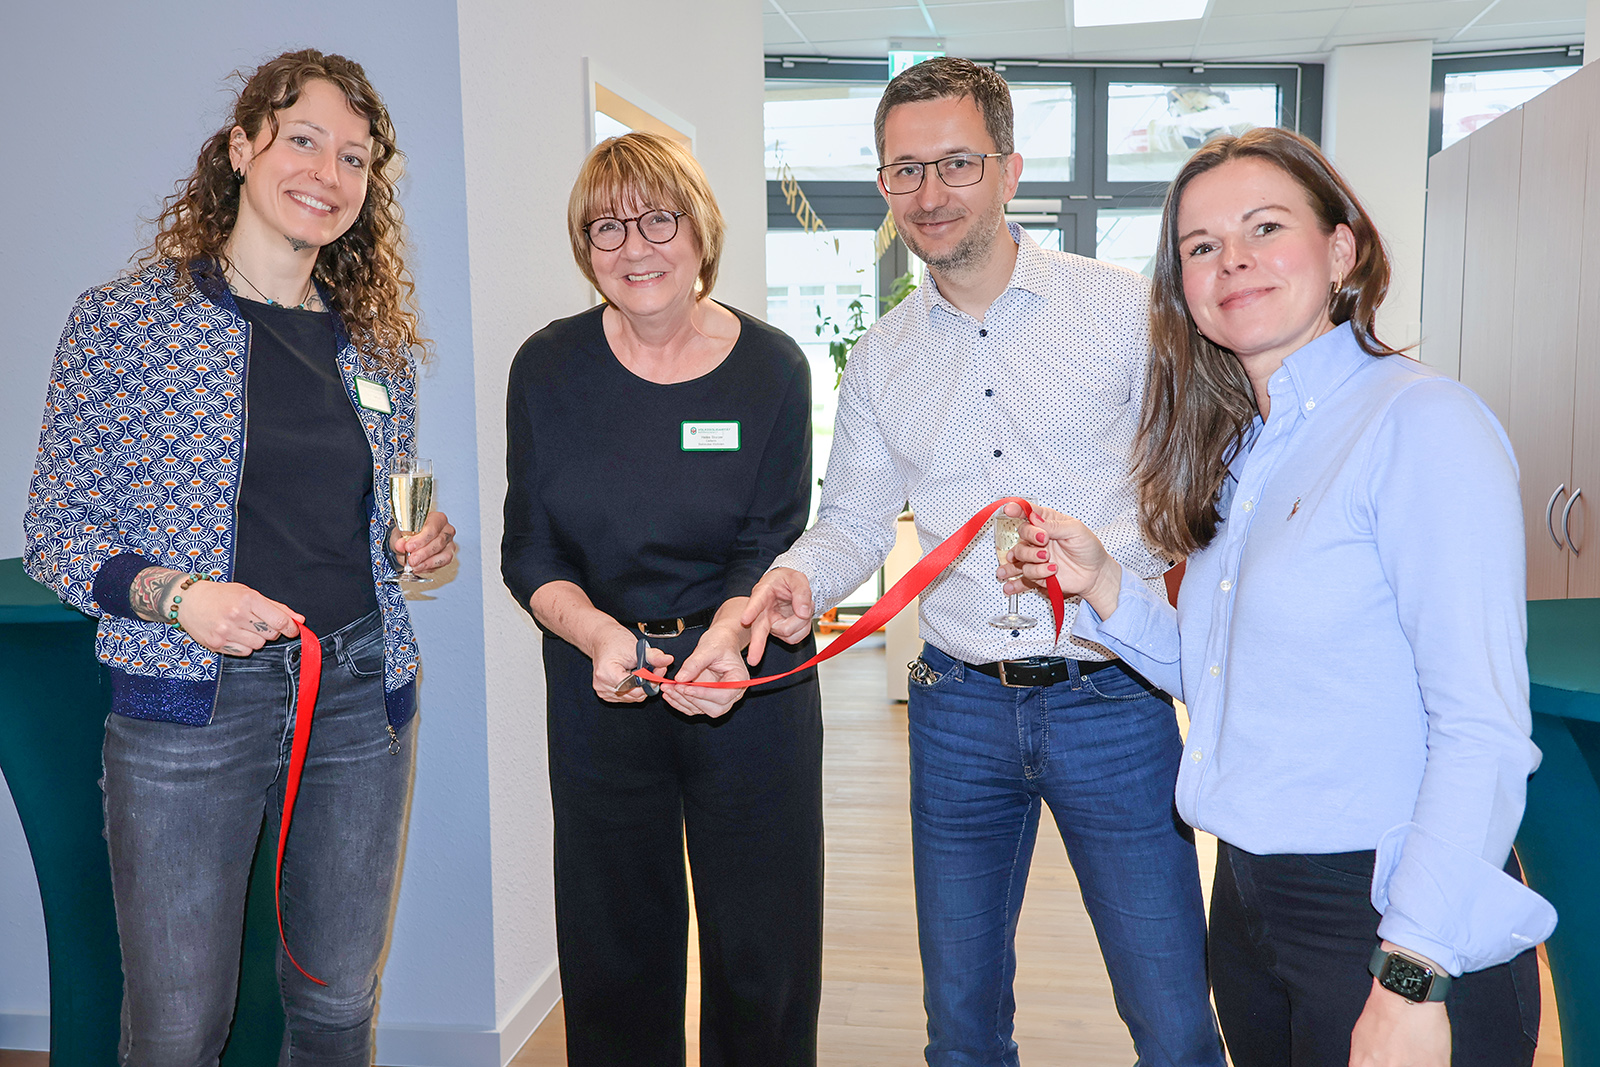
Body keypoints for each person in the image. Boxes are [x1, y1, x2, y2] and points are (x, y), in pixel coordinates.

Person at [1001, 127, 1556, 1066]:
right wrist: (1102, 582)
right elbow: (1222, 677)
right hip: (1252, 896)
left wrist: (1412, 969)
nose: (1235, 261)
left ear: (1342, 250)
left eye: (1265, 227)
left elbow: (1483, 729)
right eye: (1202, 246)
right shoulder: (1247, 450)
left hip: (1386, 909)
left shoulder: (1420, 424)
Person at [743, 58, 1222, 1067]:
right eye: (902, 169)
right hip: (955, 704)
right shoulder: (879, 358)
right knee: (959, 1029)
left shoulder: (1127, 313)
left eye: (955, 162)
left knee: (1174, 1026)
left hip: (1116, 702)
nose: (927, 193)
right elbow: (854, 522)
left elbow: (1200, 480)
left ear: (1009, 170)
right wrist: (798, 579)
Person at [24, 49, 456, 1066]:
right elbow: (58, 530)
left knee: (340, 1002)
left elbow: (373, 523)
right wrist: (180, 598)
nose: (328, 172)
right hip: (187, 703)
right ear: (241, 147)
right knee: (177, 1027)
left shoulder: (374, 345)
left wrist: (412, 547)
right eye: (302, 139)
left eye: (355, 157)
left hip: (357, 692)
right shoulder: (123, 321)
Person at [500, 131, 821, 1066]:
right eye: (607, 227)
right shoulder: (548, 368)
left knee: (763, 951)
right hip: (603, 683)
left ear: (699, 231)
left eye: (657, 219)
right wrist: (600, 635)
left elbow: (768, 541)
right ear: (584, 246)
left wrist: (724, 636)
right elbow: (531, 548)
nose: (634, 246)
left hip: (748, 678)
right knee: (613, 956)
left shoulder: (772, 368)